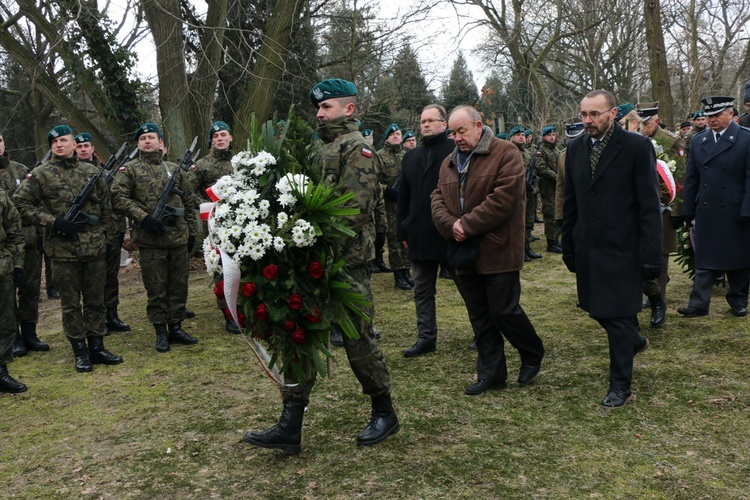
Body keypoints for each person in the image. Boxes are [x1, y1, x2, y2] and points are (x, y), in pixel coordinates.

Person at [243, 79, 398, 453]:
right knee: (302, 335)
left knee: (358, 338)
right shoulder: (318, 147)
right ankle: (290, 424)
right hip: (311, 262)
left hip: (345, 263)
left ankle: (384, 411)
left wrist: (312, 242)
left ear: (348, 109)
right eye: (317, 107)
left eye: (326, 107)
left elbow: (354, 212)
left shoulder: (357, 149)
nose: (318, 113)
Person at [432, 105, 545, 395]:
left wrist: (466, 225)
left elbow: (505, 199)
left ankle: (532, 351)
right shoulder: (448, 162)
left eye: (462, 131)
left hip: (498, 250)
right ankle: (492, 374)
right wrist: (451, 225)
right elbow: (436, 199)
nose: (456, 138)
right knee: (480, 316)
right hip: (463, 252)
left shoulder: (505, 152)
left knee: (504, 311)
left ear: (479, 126)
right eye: (452, 133)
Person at [562, 90, 662, 408]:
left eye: (595, 114)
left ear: (613, 113)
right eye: (584, 115)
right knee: (597, 309)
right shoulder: (575, 148)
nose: (588, 120)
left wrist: (650, 255)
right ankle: (633, 340)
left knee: (618, 317)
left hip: (623, 248)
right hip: (588, 247)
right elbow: (571, 202)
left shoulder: (636, 147)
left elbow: (649, 205)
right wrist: (569, 244)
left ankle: (621, 385)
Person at [14, 125, 123, 372]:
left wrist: (108, 238)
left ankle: (97, 346)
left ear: (75, 144)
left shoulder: (91, 171)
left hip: (94, 248)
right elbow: (19, 203)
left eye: (64, 140)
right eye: (54, 142)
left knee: (96, 300)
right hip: (63, 251)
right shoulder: (41, 174)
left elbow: (106, 208)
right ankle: (80, 351)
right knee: (71, 304)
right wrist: (52, 221)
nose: (59, 145)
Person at [110, 123, 198, 352]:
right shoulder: (129, 170)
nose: (147, 141)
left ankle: (176, 327)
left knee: (178, 285)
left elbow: (188, 202)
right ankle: (161, 331)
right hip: (151, 240)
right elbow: (118, 198)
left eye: (152, 137)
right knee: (156, 287)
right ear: (138, 144)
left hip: (177, 237)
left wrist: (192, 232)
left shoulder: (174, 169)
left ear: (161, 143)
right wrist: (143, 216)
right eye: (143, 138)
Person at [677, 96, 750, 318]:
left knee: (738, 258)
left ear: (731, 114)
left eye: (717, 115)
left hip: (735, 208)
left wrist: (747, 208)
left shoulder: (745, 139)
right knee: (705, 258)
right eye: (709, 116)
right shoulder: (699, 141)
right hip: (707, 207)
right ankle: (699, 304)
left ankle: (738, 300)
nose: (712, 120)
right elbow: (692, 178)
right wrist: (687, 209)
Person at [398, 104, 455, 357]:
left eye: (432, 120)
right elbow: (404, 197)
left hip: (451, 233)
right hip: (419, 235)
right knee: (422, 290)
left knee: (470, 289)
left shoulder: (456, 151)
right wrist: (402, 231)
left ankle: (482, 333)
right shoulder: (410, 156)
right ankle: (426, 337)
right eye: (422, 121)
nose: (426, 125)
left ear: (444, 123)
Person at [75, 132, 131, 333]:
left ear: (92, 149)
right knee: (91, 281)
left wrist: (120, 230)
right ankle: (94, 320)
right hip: (86, 235)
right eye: (79, 146)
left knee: (110, 276)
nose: (83, 149)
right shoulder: (72, 173)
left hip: (111, 231)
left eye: (86, 146)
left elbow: (117, 200)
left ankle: (112, 315)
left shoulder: (106, 172)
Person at [636, 102, 686, 328]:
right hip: (641, 206)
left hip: (665, 205)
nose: (643, 128)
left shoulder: (671, 141)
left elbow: (680, 176)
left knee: (662, 252)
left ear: (656, 121)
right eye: (640, 123)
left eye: (646, 124)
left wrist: (676, 210)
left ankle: (660, 301)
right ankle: (651, 289)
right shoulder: (636, 140)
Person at [188, 121, 240, 334]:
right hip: (216, 225)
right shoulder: (202, 165)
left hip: (242, 223)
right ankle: (228, 313)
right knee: (222, 268)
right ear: (211, 141)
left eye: (223, 134)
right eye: (216, 136)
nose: (220, 138)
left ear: (230, 138)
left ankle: (245, 308)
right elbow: (187, 190)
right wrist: (207, 208)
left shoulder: (241, 162)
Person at [0, 131, 48, 357]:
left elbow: (37, 203)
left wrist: (39, 234)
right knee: (7, 294)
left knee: (30, 290)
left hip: (28, 242)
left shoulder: (20, 169)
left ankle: (30, 333)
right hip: (5, 249)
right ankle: (15, 337)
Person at [378, 123, 413, 291]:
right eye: (393, 135)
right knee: (394, 239)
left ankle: (407, 270)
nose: (396, 137)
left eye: (398, 134)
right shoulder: (379, 156)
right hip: (390, 205)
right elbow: (373, 181)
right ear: (386, 138)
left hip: (406, 204)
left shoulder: (407, 156)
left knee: (407, 236)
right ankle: (398, 273)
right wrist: (387, 190)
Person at [0, 188, 26, 393]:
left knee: (6, 323)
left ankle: (1, 371)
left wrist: (17, 264)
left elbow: (15, 231)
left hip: (2, 269)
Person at [510, 126, 542, 260]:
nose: (521, 137)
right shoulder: (509, 152)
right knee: (518, 222)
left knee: (529, 220)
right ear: (512, 137)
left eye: (523, 135)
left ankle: (526, 246)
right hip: (516, 192)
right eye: (518, 135)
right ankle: (519, 250)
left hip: (530, 191)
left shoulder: (527, 153)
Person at [535, 126, 561, 253]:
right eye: (549, 135)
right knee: (550, 214)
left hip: (558, 187)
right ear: (544, 136)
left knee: (558, 213)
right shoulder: (541, 151)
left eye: (554, 134)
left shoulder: (556, 150)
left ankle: (556, 239)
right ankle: (551, 242)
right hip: (548, 187)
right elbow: (542, 168)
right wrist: (558, 177)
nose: (552, 137)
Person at [554, 120, 584, 226]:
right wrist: (559, 215)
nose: (572, 140)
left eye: (575, 136)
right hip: (570, 208)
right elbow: (560, 187)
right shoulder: (563, 155)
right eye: (570, 137)